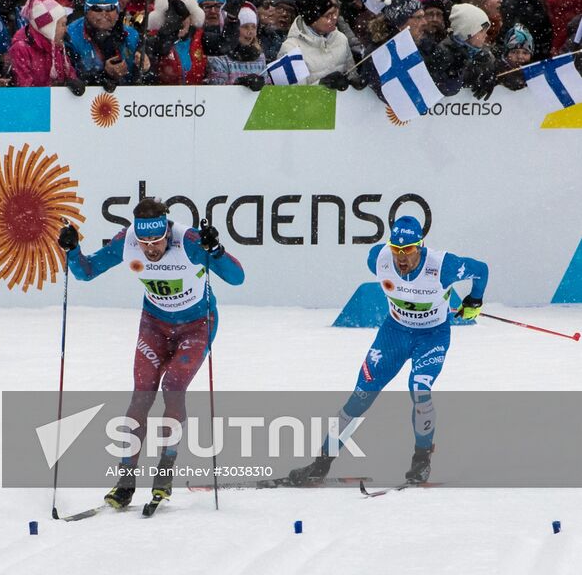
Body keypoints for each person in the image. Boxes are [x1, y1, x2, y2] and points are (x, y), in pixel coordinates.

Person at [57, 197, 244, 508]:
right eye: (144, 243)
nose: (150, 250)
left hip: (197, 325)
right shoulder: (127, 241)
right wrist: (72, 250)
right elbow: (86, 272)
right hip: (155, 325)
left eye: (156, 242)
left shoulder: (189, 241)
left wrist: (217, 251)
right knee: (141, 395)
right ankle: (125, 481)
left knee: (173, 387)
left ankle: (164, 475)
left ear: (166, 233)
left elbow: (238, 278)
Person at [288, 215, 488, 486]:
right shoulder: (377, 259)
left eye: (408, 251)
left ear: (421, 246)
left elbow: (481, 269)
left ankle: (421, 460)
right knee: (361, 395)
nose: (401, 258)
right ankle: (321, 463)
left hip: (432, 336)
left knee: (419, 388)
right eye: (396, 250)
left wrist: (474, 299)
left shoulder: (444, 265)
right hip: (393, 334)